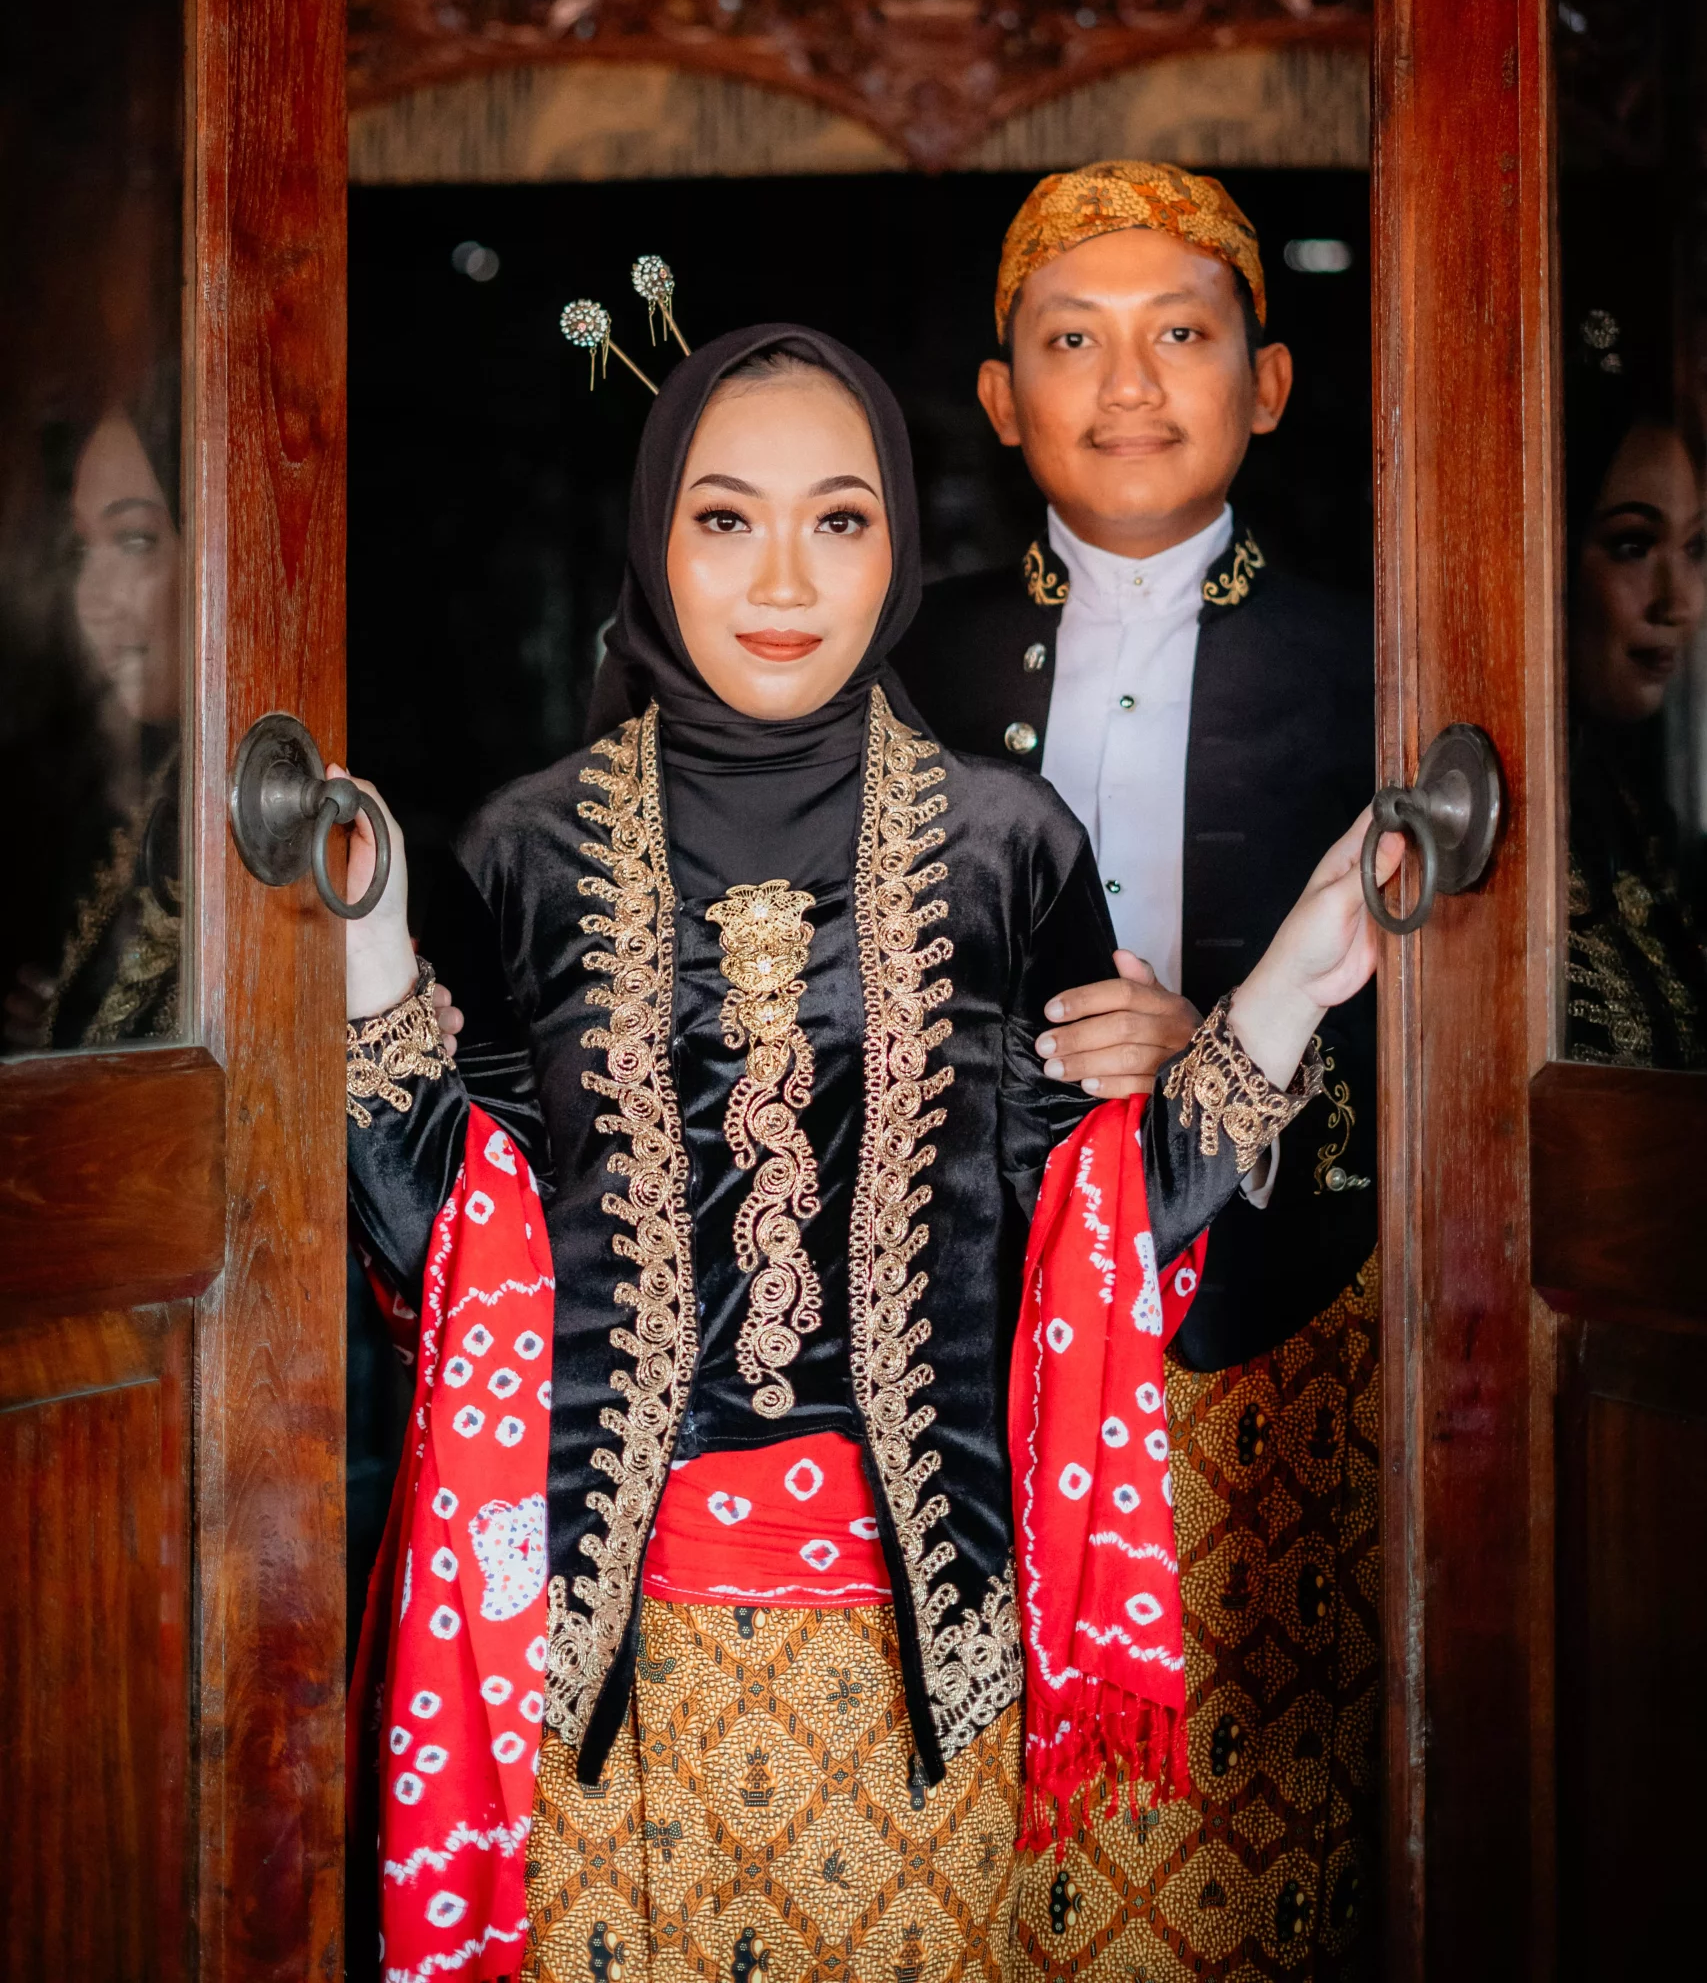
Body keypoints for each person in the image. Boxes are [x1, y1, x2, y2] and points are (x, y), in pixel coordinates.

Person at [340, 323, 1392, 1983]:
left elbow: (1089, 1237)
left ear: (898, 543)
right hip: (594, 1674)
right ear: (653, 539)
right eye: (723, 518)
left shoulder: (1004, 846)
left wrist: (1283, 994)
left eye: (837, 519)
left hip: (916, 1672)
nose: (782, 578)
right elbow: (451, 1248)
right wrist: (367, 970)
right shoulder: (522, 849)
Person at [890, 163, 1379, 1975]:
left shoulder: (1379, 657)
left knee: (1259, 1818)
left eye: (1179, 334)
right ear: (999, 398)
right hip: (975, 1328)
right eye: (1069, 343)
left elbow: (1461, 1025)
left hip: (1274, 1318)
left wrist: (1225, 1056)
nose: (1126, 386)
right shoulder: (905, 656)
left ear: (1267, 382)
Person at [3, 375, 182, 1049]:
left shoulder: (278, 803)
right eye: (83, 548)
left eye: (134, 540)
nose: (92, 598)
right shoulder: (112, 790)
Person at [1564, 337, 1707, 1064]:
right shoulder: (1471, 823)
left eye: (1695, 549)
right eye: (1632, 545)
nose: (1676, 602)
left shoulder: (1644, 813)